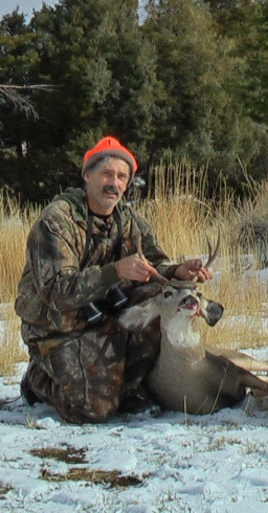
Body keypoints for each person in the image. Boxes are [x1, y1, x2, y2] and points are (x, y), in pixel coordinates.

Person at [14, 136, 212, 424]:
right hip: (56, 330)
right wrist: (115, 271)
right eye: (106, 173)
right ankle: (38, 380)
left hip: (104, 320)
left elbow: (155, 262)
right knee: (93, 410)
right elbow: (58, 293)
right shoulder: (55, 222)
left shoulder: (128, 219)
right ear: (87, 175)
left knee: (159, 298)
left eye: (121, 177)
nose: (114, 183)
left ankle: (128, 389)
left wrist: (178, 271)